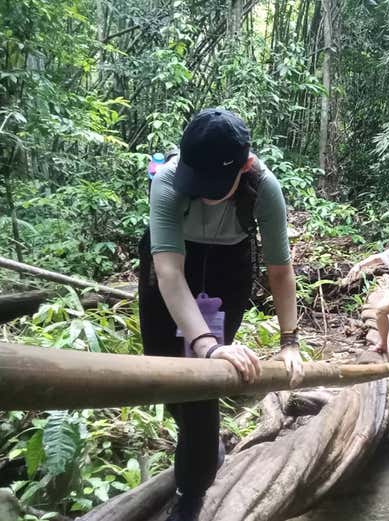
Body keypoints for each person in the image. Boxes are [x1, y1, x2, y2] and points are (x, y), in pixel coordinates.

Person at [137, 108, 303, 521]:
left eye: (216, 184)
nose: (206, 193)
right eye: (200, 182)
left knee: (201, 387)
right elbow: (170, 273)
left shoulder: (263, 187)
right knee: (163, 370)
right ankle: (206, 448)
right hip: (173, 264)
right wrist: (209, 345)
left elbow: (280, 271)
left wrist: (290, 342)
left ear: (245, 165)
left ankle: (190, 496)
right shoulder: (169, 181)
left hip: (228, 271)